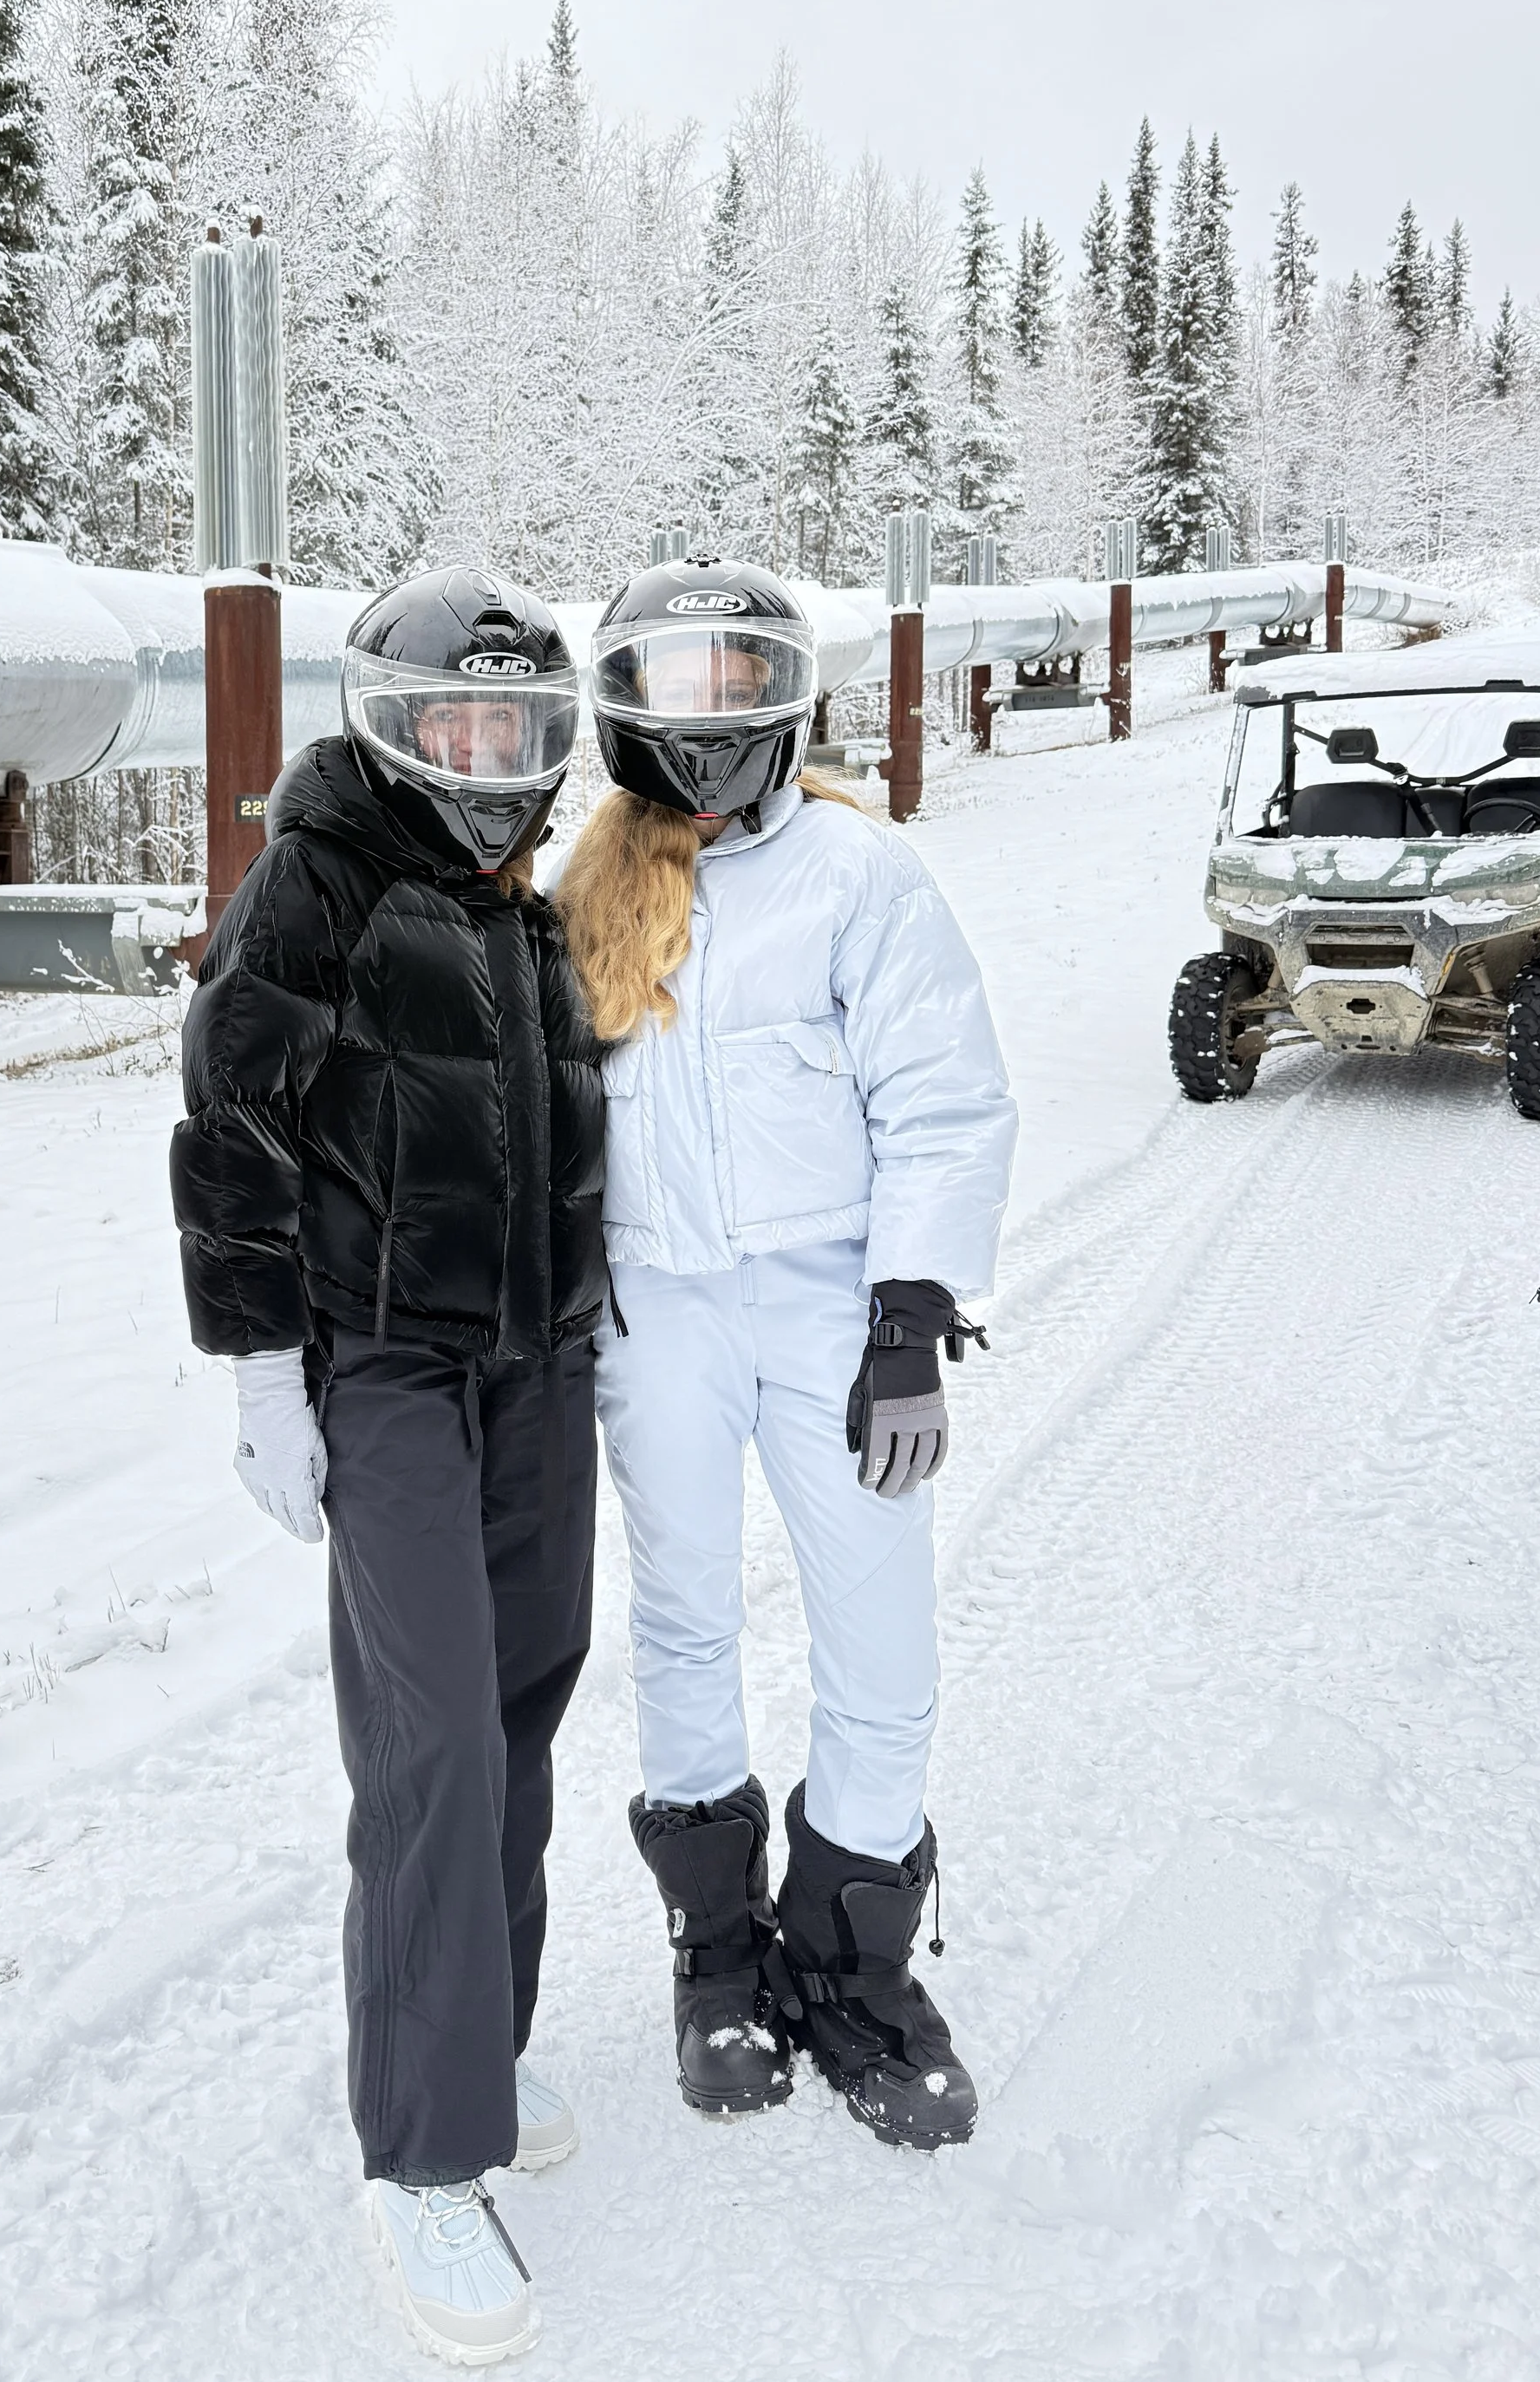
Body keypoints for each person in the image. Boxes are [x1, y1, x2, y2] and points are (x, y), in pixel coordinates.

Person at [170, 566, 606, 2366]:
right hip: (391, 1366)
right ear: (392, 729)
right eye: (459, 729)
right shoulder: (323, 876)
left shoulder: (519, 899)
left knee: (521, 1694)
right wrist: (266, 1361)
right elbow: (230, 1119)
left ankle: (477, 2024)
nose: (490, 760)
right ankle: (422, 2155)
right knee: (426, 1731)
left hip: (538, 1358)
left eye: (517, 730)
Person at [555, 553, 1016, 2150]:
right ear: (621, 708)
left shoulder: (856, 875)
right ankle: (718, 1947)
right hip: (654, 1314)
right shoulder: (587, 891)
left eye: (740, 680)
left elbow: (944, 1100)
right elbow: (552, 1130)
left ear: (786, 694)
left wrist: (910, 1315)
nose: (710, 716)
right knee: (682, 1619)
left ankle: (852, 1958)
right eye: (678, 685)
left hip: (830, 1307)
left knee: (877, 1631)